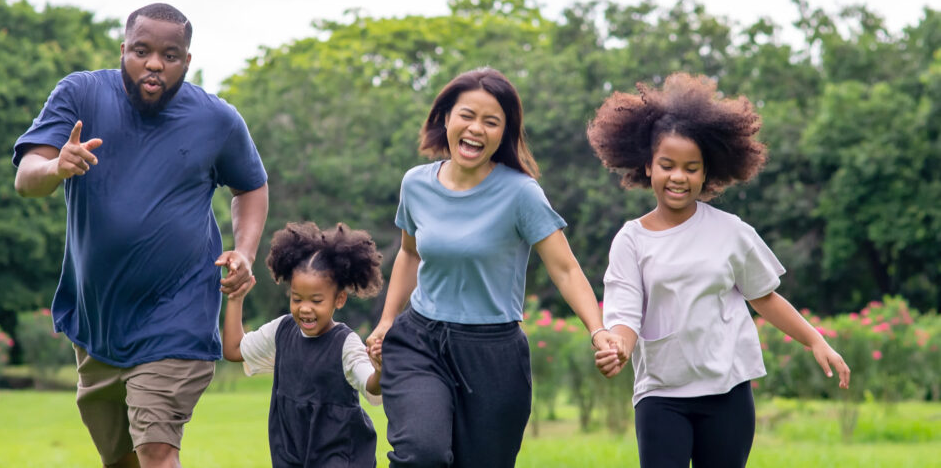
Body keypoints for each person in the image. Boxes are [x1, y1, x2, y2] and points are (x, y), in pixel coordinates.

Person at [13, 3, 269, 468]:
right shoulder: (81, 95)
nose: (155, 64)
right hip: (98, 321)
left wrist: (245, 251)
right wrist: (56, 165)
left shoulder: (217, 119)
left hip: (179, 313)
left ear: (186, 62)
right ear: (123, 50)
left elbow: (250, 185)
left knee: (155, 450)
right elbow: (27, 177)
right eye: (142, 51)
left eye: (170, 55)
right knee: (123, 459)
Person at [587, 72, 850, 468]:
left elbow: (764, 297)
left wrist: (816, 341)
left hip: (727, 392)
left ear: (707, 172)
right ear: (647, 167)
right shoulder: (631, 240)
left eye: (691, 167)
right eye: (667, 165)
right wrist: (618, 346)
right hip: (661, 395)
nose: (679, 176)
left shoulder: (731, 232)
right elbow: (624, 312)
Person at [366, 67, 621, 467]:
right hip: (420, 340)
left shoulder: (521, 193)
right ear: (446, 118)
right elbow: (409, 254)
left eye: (491, 121)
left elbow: (566, 269)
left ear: (505, 133)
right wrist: (386, 321)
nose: (476, 129)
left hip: (494, 352)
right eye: (467, 115)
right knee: (421, 454)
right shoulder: (415, 184)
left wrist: (598, 331)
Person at [223, 222, 384, 467]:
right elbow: (234, 350)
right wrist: (235, 299)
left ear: (338, 299)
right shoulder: (282, 331)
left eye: (316, 300)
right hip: (291, 454)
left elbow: (371, 387)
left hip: (340, 456)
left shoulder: (345, 343)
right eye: (297, 299)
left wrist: (381, 370)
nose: (305, 308)